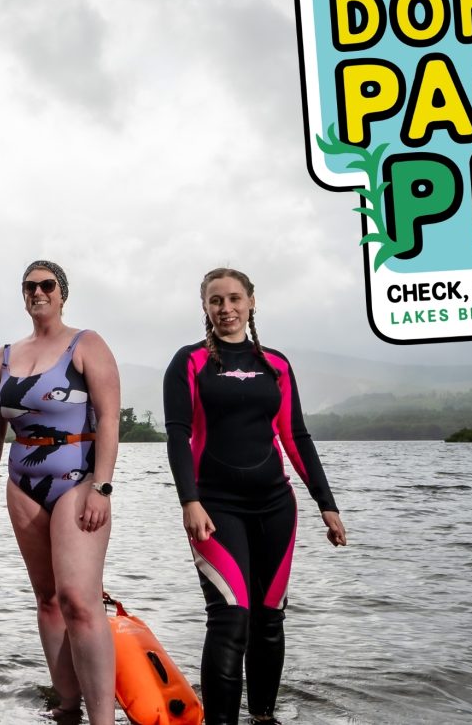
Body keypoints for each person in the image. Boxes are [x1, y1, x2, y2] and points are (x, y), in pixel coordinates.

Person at [161, 267, 348, 725]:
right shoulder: (189, 363)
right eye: (215, 301)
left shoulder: (277, 364)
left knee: (268, 620)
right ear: (204, 307)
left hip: (275, 506)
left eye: (234, 299)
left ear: (251, 302)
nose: (226, 308)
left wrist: (327, 505)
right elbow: (178, 435)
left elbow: (295, 437)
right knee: (229, 618)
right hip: (215, 507)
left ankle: (263, 718)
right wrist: (190, 501)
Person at [0, 260, 120, 725]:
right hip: (22, 485)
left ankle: (102, 717)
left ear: (62, 294)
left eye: (47, 285)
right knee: (48, 600)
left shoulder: (86, 344)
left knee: (79, 599)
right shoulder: (5, 355)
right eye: (29, 286)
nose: (38, 292)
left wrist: (101, 486)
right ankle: (66, 706)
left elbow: (110, 419)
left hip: (77, 480)